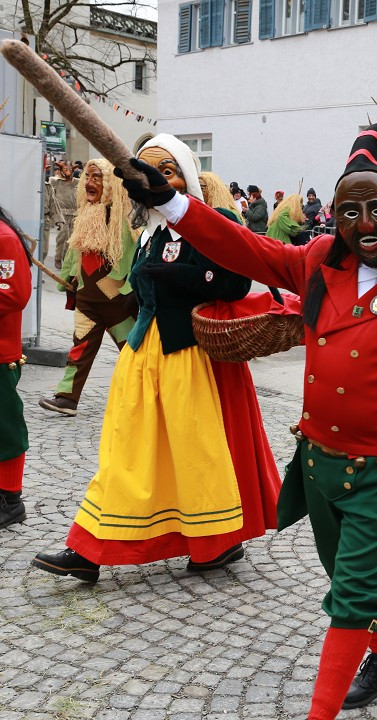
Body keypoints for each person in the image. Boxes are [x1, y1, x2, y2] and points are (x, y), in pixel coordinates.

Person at [116, 120, 377, 719]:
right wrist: (172, 201)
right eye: (349, 210)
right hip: (316, 461)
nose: (364, 224)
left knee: (350, 594)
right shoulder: (318, 263)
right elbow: (247, 249)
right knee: (349, 575)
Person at [31, 134, 280, 584]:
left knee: (193, 457)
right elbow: (141, 291)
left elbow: (235, 282)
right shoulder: (146, 231)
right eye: (147, 174)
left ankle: (213, 545)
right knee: (125, 450)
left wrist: (170, 274)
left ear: (185, 176)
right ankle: (91, 547)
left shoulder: (212, 220)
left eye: (166, 172)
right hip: (143, 357)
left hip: (189, 362)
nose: (157, 182)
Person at [38, 159, 137, 417]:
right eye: (89, 178)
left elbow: (130, 254)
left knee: (133, 353)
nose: (91, 183)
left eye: (97, 178)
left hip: (117, 302)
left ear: (110, 185)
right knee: (79, 348)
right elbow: (75, 253)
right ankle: (66, 398)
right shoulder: (84, 215)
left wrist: (127, 288)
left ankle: (148, 399)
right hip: (87, 300)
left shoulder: (122, 218)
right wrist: (71, 278)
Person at [0, 205, 32, 529]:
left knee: (6, 427)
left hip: (0, 351)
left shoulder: (4, 238)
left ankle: (10, 499)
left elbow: (14, 293)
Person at [46, 161, 77, 269]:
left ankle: (66, 258)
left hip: (74, 213)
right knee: (62, 237)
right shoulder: (56, 182)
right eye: (65, 170)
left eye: (70, 170)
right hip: (61, 213)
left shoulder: (76, 182)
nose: (68, 172)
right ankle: (58, 258)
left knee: (71, 239)